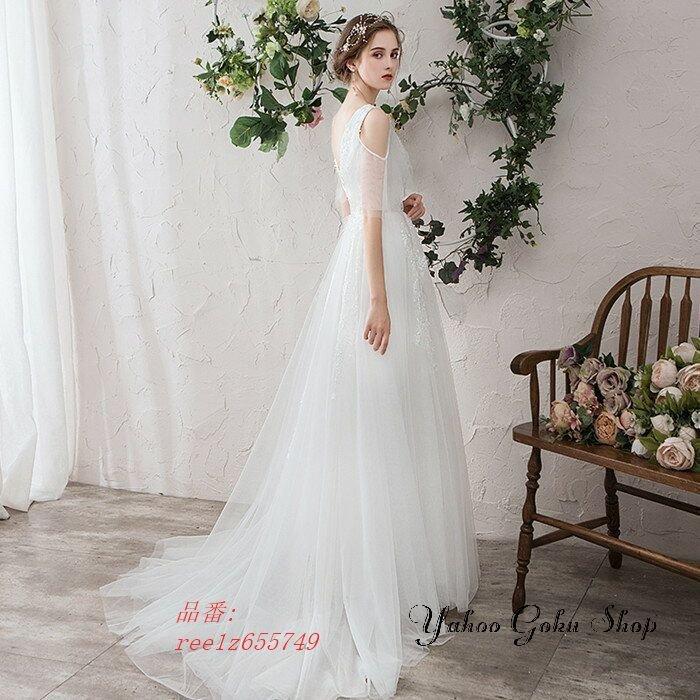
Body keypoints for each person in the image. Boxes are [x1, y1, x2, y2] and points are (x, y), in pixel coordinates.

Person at [99, 12, 480, 699]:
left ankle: (367, 561)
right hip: (375, 279)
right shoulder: (375, 119)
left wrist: (405, 208)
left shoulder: (345, 118)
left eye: (395, 53)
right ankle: (376, 575)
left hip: (359, 266)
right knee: (381, 419)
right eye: (378, 53)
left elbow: (352, 205)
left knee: (368, 416)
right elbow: (364, 215)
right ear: (352, 59)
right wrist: (380, 299)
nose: (390, 63)